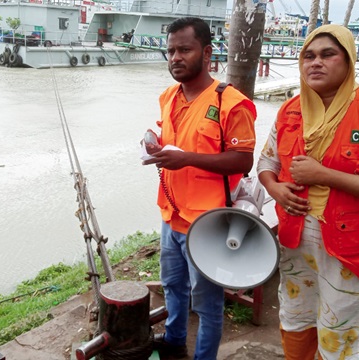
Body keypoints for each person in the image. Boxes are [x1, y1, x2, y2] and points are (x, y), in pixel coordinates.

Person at [257, 24, 359, 359]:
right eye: (308, 56)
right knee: (296, 319)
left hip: (351, 248)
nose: (316, 63)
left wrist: (323, 174)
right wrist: (275, 187)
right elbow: (266, 162)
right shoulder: (290, 111)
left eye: (328, 54)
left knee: (341, 334)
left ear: (348, 61)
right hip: (297, 241)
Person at [142, 17, 257, 360]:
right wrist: (154, 145)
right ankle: (174, 340)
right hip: (171, 215)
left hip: (209, 223)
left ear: (207, 53)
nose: (175, 57)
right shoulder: (168, 96)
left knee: (207, 304)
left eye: (184, 49)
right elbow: (174, 140)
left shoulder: (230, 102)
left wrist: (187, 159)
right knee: (174, 287)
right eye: (171, 50)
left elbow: (242, 161)